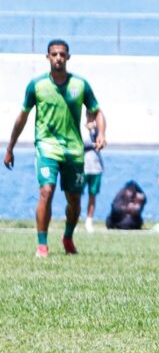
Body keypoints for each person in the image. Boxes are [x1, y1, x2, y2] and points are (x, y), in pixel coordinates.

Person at [4, 39, 107, 257]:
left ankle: (68, 237)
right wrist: (10, 147)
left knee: (74, 200)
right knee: (46, 191)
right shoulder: (37, 86)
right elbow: (22, 117)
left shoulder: (80, 85)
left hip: (73, 150)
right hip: (46, 147)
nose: (58, 58)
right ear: (47, 57)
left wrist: (102, 134)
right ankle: (42, 244)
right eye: (54, 54)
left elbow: (97, 111)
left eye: (62, 54)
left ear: (68, 57)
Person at [83, 111, 104, 233]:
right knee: (76, 195)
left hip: (96, 167)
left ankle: (89, 220)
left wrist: (95, 131)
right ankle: (73, 220)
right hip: (83, 167)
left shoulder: (99, 129)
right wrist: (93, 144)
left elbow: (102, 142)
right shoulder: (81, 127)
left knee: (93, 195)